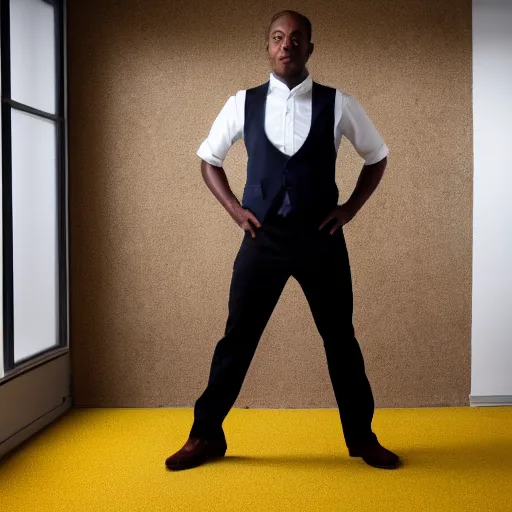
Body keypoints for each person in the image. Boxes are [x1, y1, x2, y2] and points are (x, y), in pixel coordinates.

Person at [166, 10, 400, 471]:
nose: (286, 45)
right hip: (264, 239)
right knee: (237, 339)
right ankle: (205, 435)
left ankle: (362, 437)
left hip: (320, 239)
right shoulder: (241, 103)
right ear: (268, 46)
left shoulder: (339, 104)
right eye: (278, 37)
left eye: (296, 38)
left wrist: (349, 209)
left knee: (341, 340)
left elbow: (377, 156)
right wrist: (235, 210)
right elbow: (209, 159)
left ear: (310, 47)